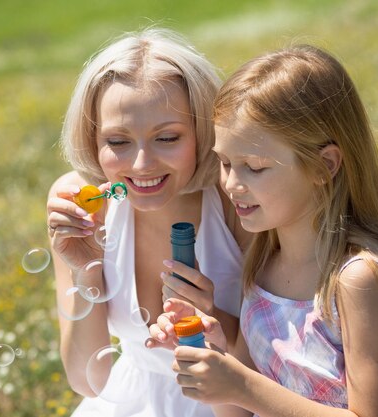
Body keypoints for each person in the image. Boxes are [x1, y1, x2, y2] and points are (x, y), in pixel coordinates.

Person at [148, 44, 378, 416]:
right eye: (224, 162)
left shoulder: (358, 281)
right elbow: (237, 412)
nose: (231, 184)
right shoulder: (262, 264)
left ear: (324, 166)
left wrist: (242, 385)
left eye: (254, 167)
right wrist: (206, 351)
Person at [46, 28, 250, 417]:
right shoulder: (85, 205)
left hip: (233, 403)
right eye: (118, 142)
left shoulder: (235, 199)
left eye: (168, 138)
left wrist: (213, 320)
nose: (141, 165)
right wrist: (85, 274)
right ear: (92, 140)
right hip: (129, 402)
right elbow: (88, 380)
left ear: (203, 131)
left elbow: (279, 359)